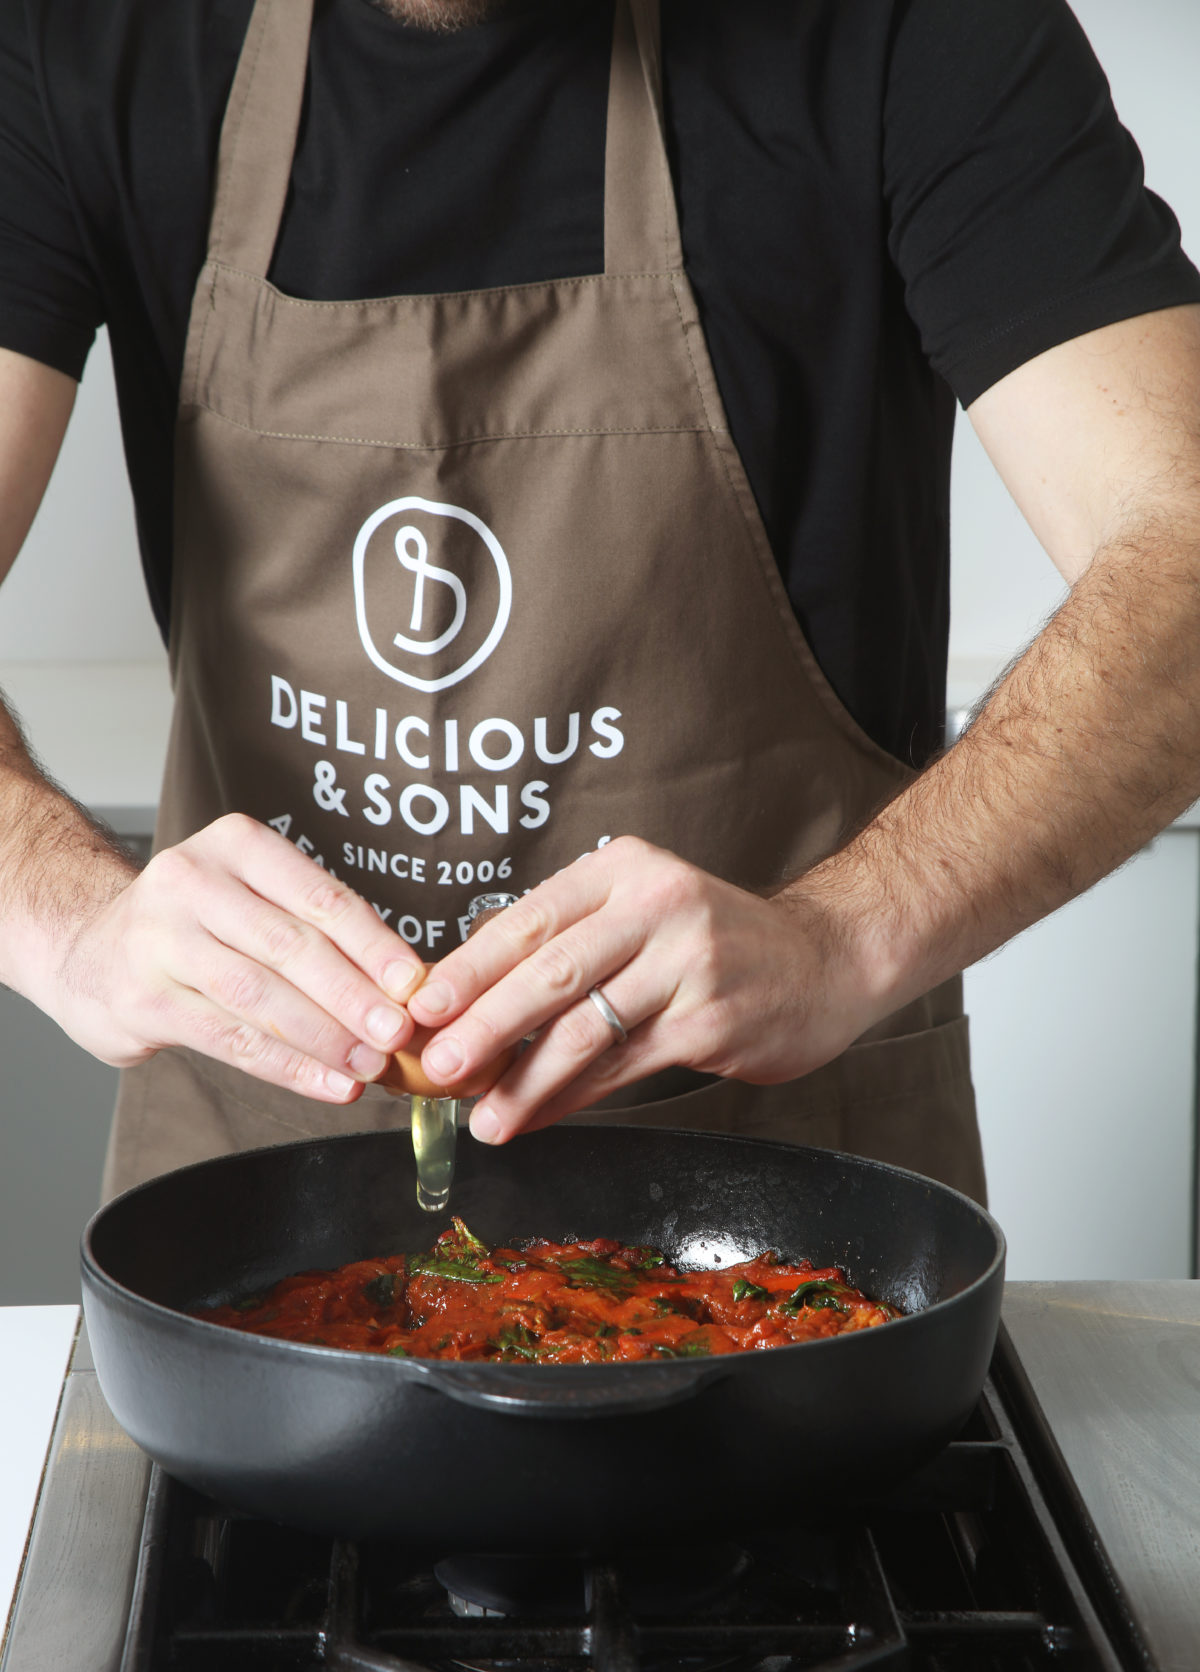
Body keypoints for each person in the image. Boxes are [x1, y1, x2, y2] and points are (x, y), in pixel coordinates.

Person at [0, 0, 1197, 1202]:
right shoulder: (87, 35)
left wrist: (846, 933)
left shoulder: (914, 30)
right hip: (247, 1199)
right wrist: (68, 924)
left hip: (783, 1233)